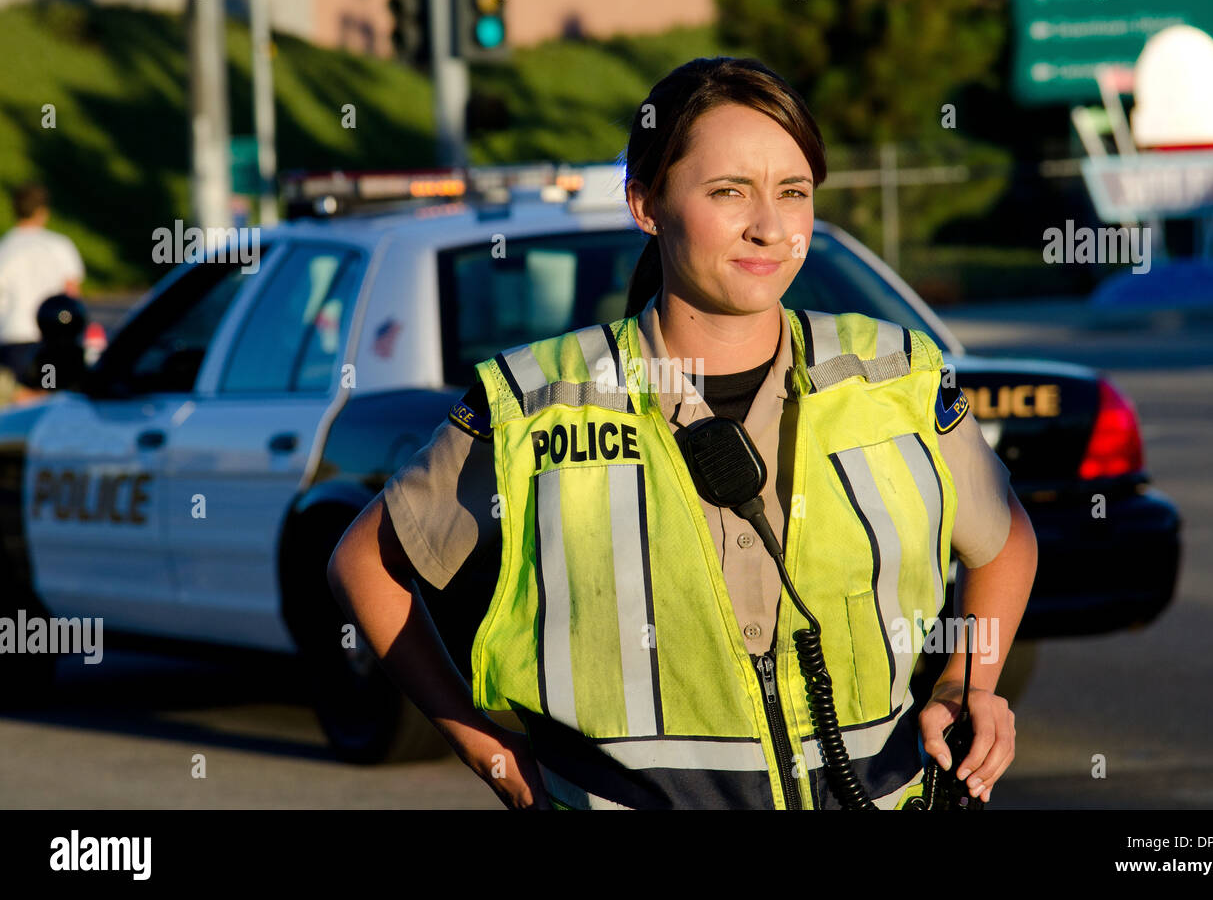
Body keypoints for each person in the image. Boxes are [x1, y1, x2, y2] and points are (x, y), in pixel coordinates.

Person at [328, 57, 1038, 810]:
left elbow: (1005, 539)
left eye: (792, 193)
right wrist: (498, 762)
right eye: (729, 191)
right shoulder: (538, 401)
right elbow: (364, 563)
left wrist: (968, 680)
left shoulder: (894, 375)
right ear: (646, 203)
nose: (769, 226)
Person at [0, 183, 84, 389]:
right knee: (52, 398)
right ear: (42, 212)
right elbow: (72, 293)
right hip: (55, 341)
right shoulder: (59, 245)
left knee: (20, 406)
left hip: (13, 338)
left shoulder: (4, 248)